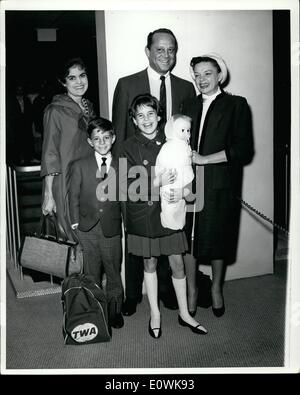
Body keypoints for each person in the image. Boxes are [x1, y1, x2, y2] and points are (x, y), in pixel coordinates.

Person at [112, 27, 196, 316]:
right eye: (159, 49)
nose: (166, 55)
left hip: (172, 181)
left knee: (170, 236)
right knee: (140, 241)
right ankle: (134, 295)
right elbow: (119, 135)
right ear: (148, 51)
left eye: (171, 49)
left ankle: (170, 295)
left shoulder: (186, 87)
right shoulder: (126, 84)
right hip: (139, 175)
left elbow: (186, 136)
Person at [120, 93, 207, 338]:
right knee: (150, 262)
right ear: (134, 121)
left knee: (177, 262)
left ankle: (184, 313)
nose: (146, 119)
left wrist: (183, 191)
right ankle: (155, 313)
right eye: (140, 115)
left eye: (151, 114)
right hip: (145, 215)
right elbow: (125, 187)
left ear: (159, 117)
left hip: (171, 213)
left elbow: (191, 181)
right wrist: (155, 183)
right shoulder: (127, 147)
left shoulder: (176, 140)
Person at [181, 53, 254, 317]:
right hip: (189, 182)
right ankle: (191, 290)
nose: (201, 79)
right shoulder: (187, 104)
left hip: (220, 183)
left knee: (218, 237)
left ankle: (216, 289)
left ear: (219, 75)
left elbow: (243, 149)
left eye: (207, 73)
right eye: (196, 74)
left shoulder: (236, 104)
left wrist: (204, 159)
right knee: (188, 238)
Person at [69, 118, 124, 330]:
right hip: (87, 229)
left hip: (111, 228)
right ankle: (95, 309)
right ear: (90, 142)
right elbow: (72, 196)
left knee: (113, 271)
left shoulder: (121, 165)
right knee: (91, 273)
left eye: (106, 138)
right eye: (97, 139)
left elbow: (125, 198)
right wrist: (75, 224)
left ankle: (114, 310)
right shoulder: (80, 165)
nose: (102, 142)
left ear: (113, 138)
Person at [41, 57, 96, 241]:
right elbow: (50, 152)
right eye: (72, 78)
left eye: (82, 75)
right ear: (63, 82)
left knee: (89, 235)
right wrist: (49, 194)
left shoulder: (89, 108)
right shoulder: (55, 111)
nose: (79, 82)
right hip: (64, 181)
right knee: (70, 236)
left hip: (88, 179)